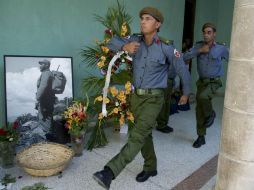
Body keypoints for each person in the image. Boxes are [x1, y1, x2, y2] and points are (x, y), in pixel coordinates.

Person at [93, 7, 191, 189]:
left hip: (154, 100)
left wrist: (186, 92)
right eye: (142, 18)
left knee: (136, 135)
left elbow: (182, 69)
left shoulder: (166, 47)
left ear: (158, 24)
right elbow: (111, 42)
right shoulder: (134, 41)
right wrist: (124, 46)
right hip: (136, 98)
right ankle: (151, 167)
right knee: (144, 135)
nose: (143, 21)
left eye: (147, 18)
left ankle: (109, 172)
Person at [183, 23, 229, 148]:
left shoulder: (221, 48)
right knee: (199, 110)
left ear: (214, 34)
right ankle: (201, 136)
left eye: (209, 32)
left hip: (214, 81)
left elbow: (233, 60)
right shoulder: (198, 45)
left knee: (203, 97)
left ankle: (211, 114)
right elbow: (184, 57)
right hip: (202, 82)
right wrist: (199, 51)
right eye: (204, 32)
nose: (206, 35)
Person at [156, 62, 191, 133]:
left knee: (167, 103)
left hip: (169, 81)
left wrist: (173, 84)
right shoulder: (169, 53)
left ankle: (164, 124)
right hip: (164, 80)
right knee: (164, 103)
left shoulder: (174, 55)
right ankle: (161, 125)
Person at [35, 59, 55, 135]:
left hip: (45, 101)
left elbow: (43, 86)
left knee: (44, 119)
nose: (40, 66)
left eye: (42, 64)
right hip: (48, 100)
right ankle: (49, 137)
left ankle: (47, 139)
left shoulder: (46, 73)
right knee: (48, 118)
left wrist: (37, 98)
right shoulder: (48, 73)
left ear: (46, 65)